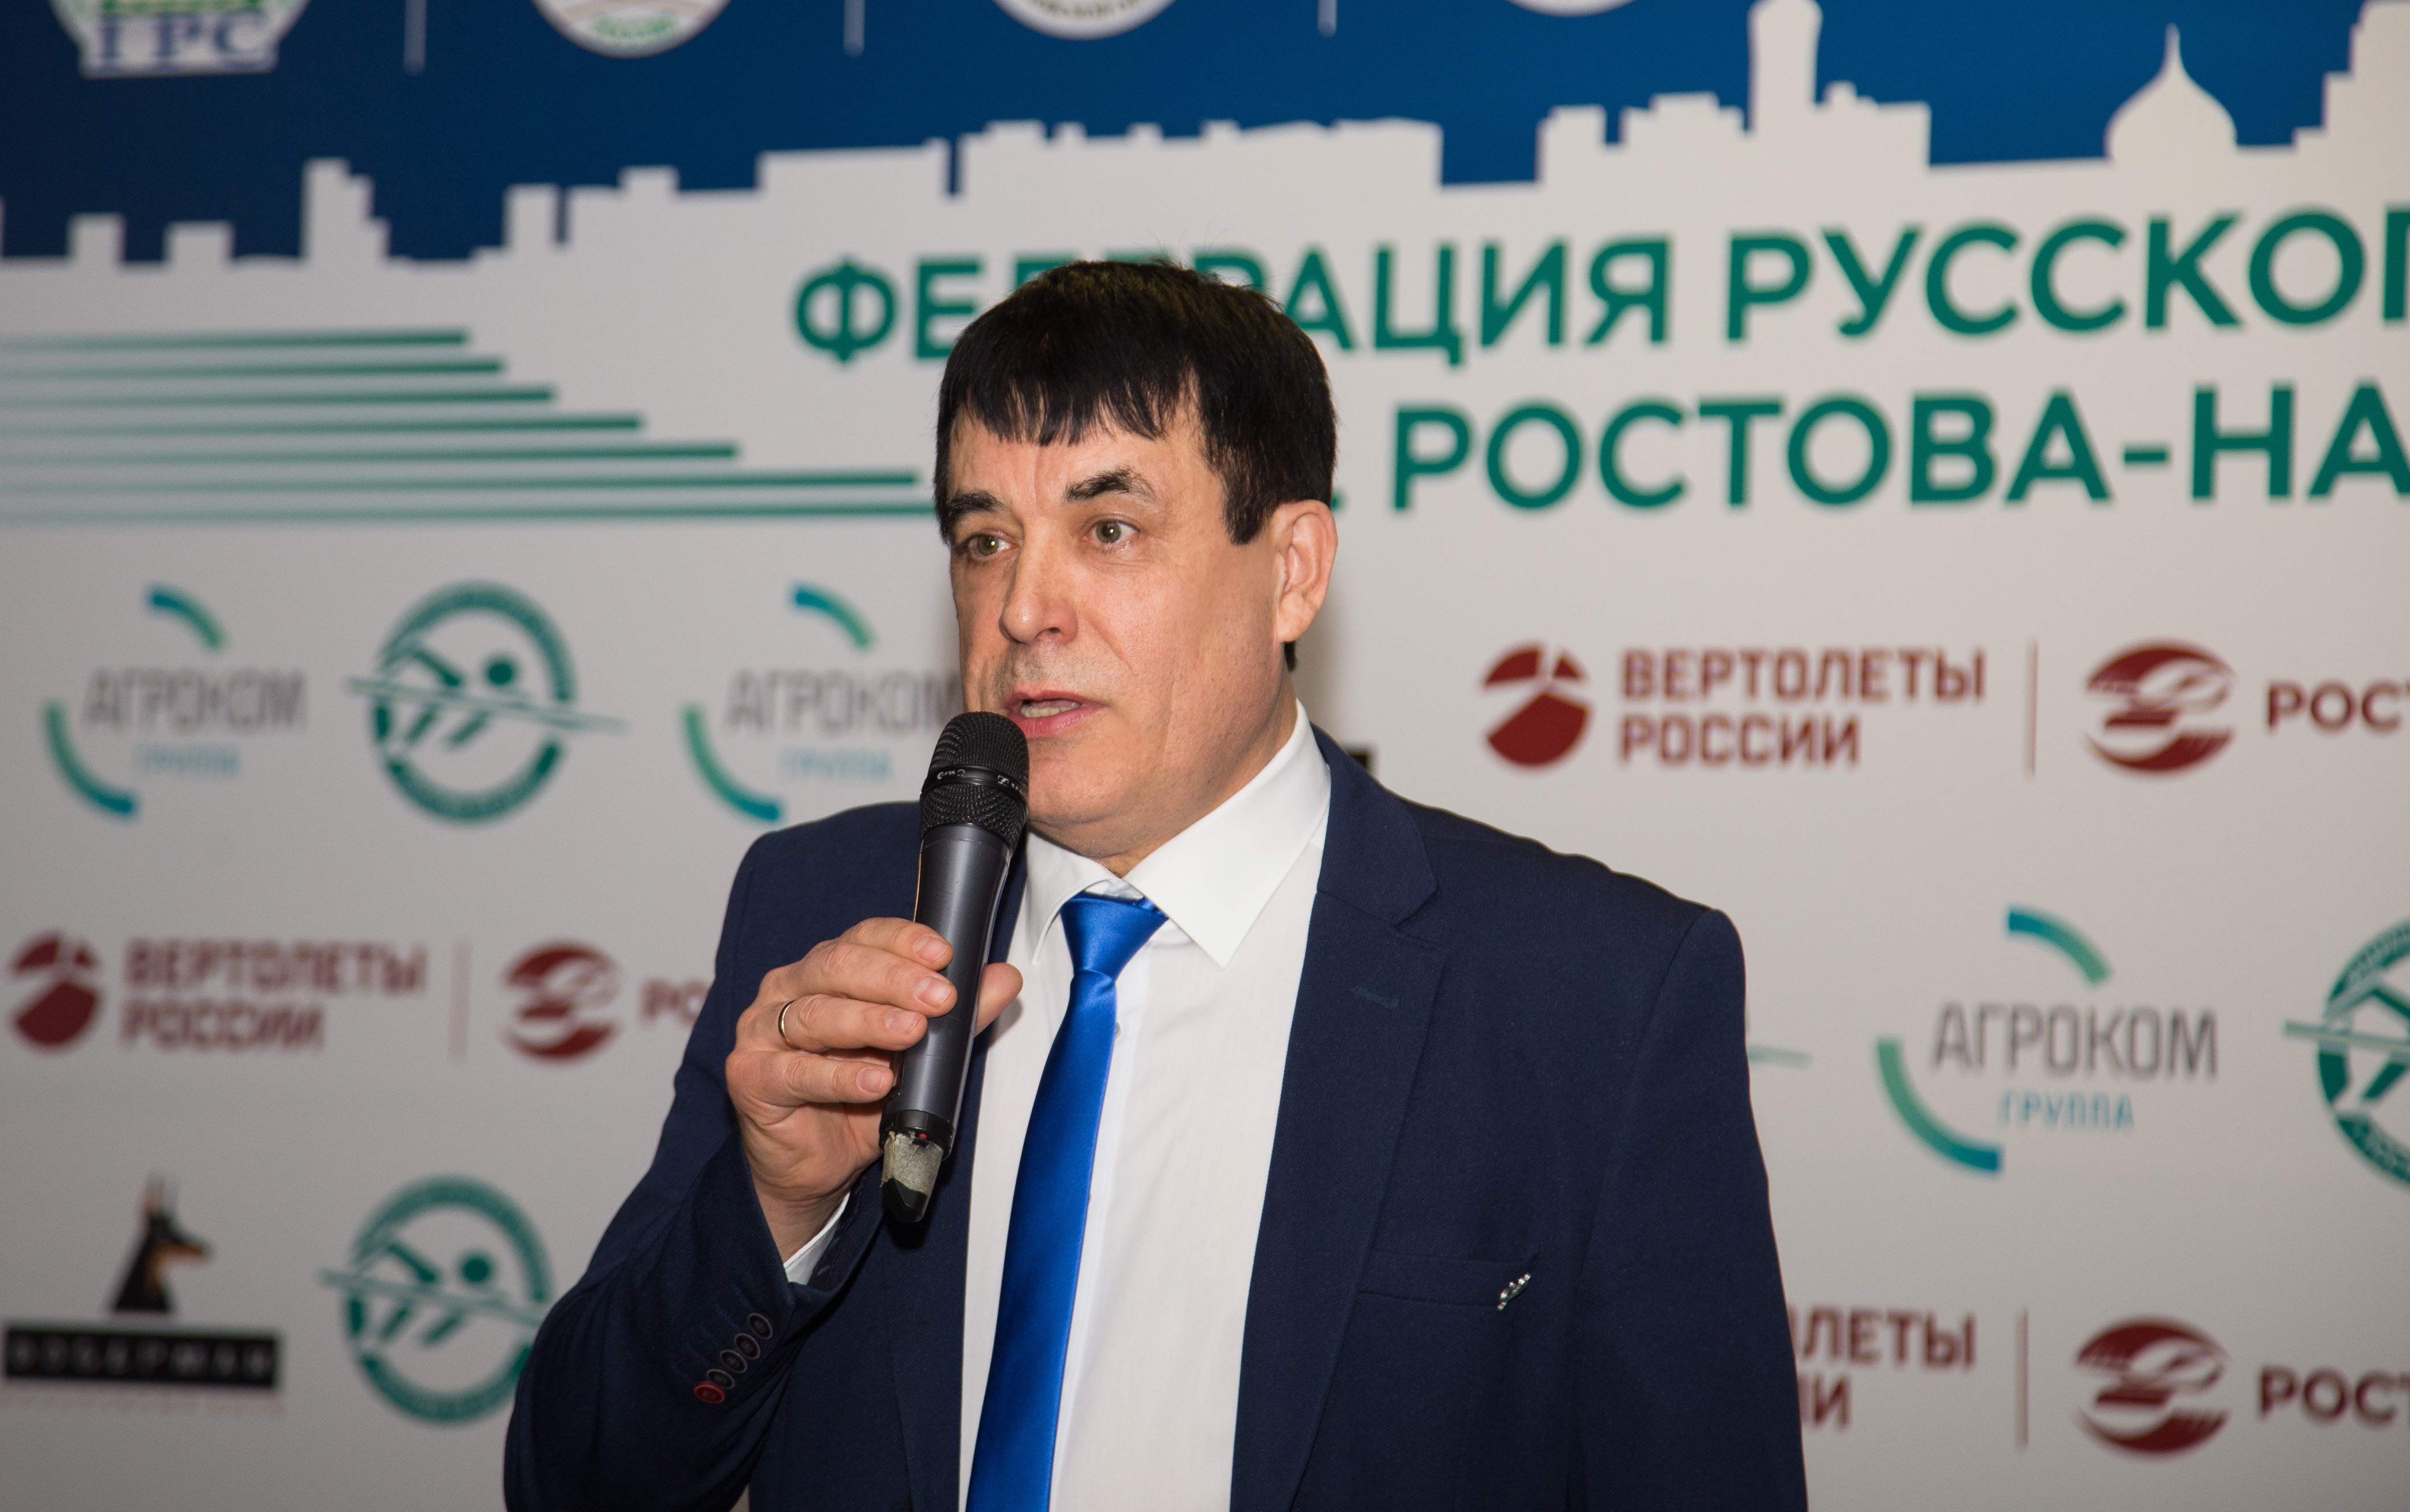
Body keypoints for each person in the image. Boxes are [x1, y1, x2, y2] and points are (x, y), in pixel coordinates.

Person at [505, 260, 1805, 1511]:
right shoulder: (826, 914)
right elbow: (576, 1479)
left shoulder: (1595, 997)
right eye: (984, 538)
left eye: (1109, 529)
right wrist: (775, 1207)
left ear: (1292, 571)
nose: (1024, 609)